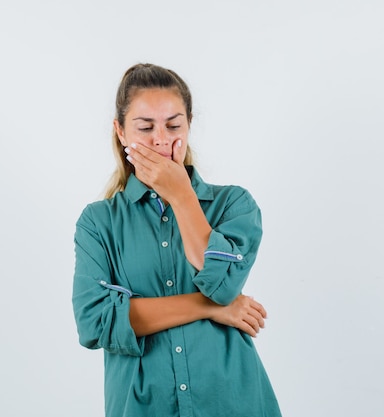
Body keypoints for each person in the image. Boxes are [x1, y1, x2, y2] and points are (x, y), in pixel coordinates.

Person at [72, 63, 281, 417]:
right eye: (145, 127)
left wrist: (183, 196)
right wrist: (211, 309)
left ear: (189, 126)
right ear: (121, 132)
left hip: (232, 402)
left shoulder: (234, 205)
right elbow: (96, 322)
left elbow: (223, 285)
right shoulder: (98, 222)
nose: (161, 139)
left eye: (173, 125)